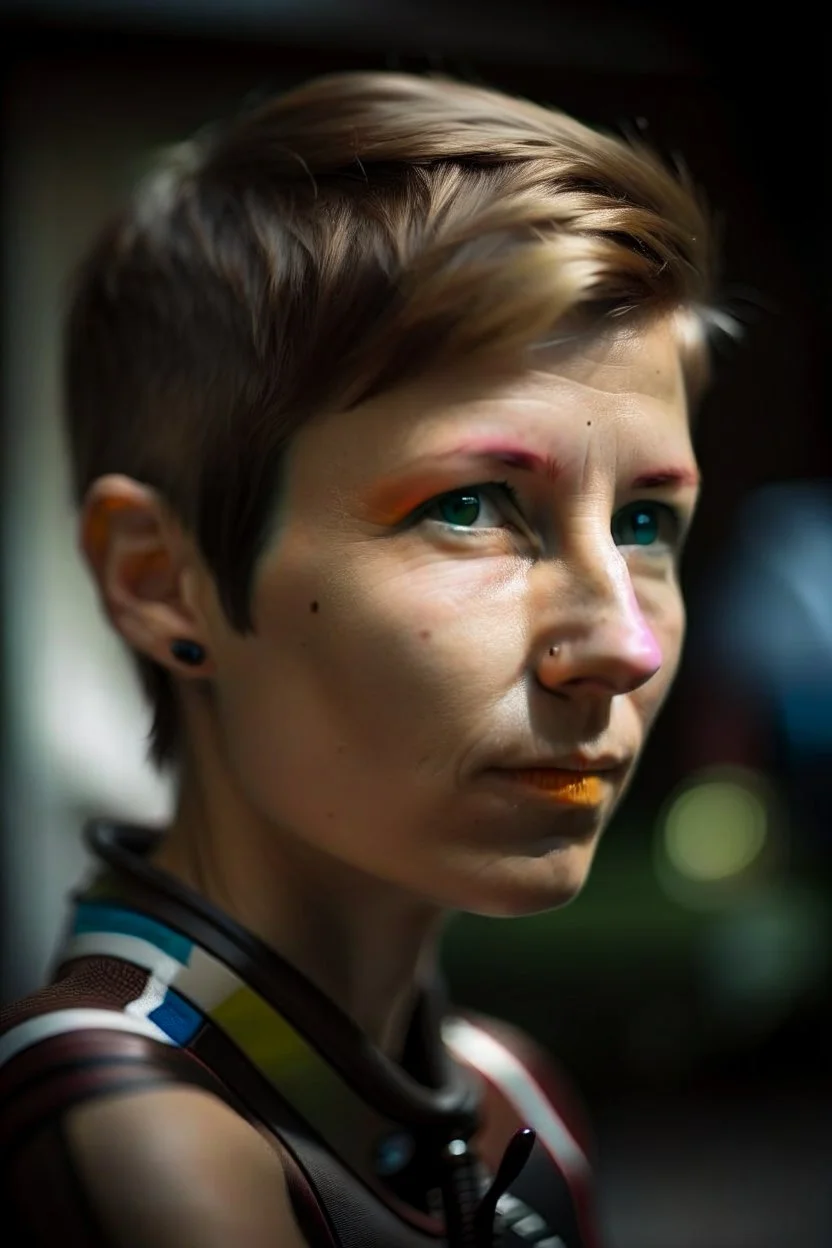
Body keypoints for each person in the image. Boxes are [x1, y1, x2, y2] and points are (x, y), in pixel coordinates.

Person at [0, 71, 714, 1247]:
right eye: (476, 505)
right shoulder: (137, 1134)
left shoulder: (508, 1097)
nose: (622, 647)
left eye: (645, 523)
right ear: (156, 576)